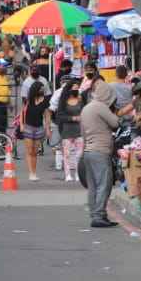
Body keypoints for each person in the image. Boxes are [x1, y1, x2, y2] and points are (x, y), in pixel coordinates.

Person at [79, 81, 120, 228]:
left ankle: (94, 213)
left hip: (88, 151)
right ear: (106, 94)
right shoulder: (101, 107)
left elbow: (83, 133)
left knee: (92, 185)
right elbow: (115, 123)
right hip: (100, 151)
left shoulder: (86, 108)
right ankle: (99, 214)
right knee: (104, 183)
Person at [18, 80, 50, 181]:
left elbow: (47, 115)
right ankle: (31, 173)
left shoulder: (45, 100)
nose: (42, 91)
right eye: (40, 89)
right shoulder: (28, 100)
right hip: (28, 126)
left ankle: (34, 172)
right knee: (30, 150)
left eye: (43, 89)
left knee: (35, 151)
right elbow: (22, 112)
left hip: (39, 127)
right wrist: (22, 124)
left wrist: (48, 128)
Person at [54, 77, 85, 182]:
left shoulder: (80, 100)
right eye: (74, 88)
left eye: (77, 88)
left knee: (79, 154)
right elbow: (60, 116)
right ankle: (68, 174)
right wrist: (72, 118)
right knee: (66, 154)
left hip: (78, 130)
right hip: (67, 130)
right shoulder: (63, 101)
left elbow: (84, 112)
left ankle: (78, 174)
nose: (76, 90)